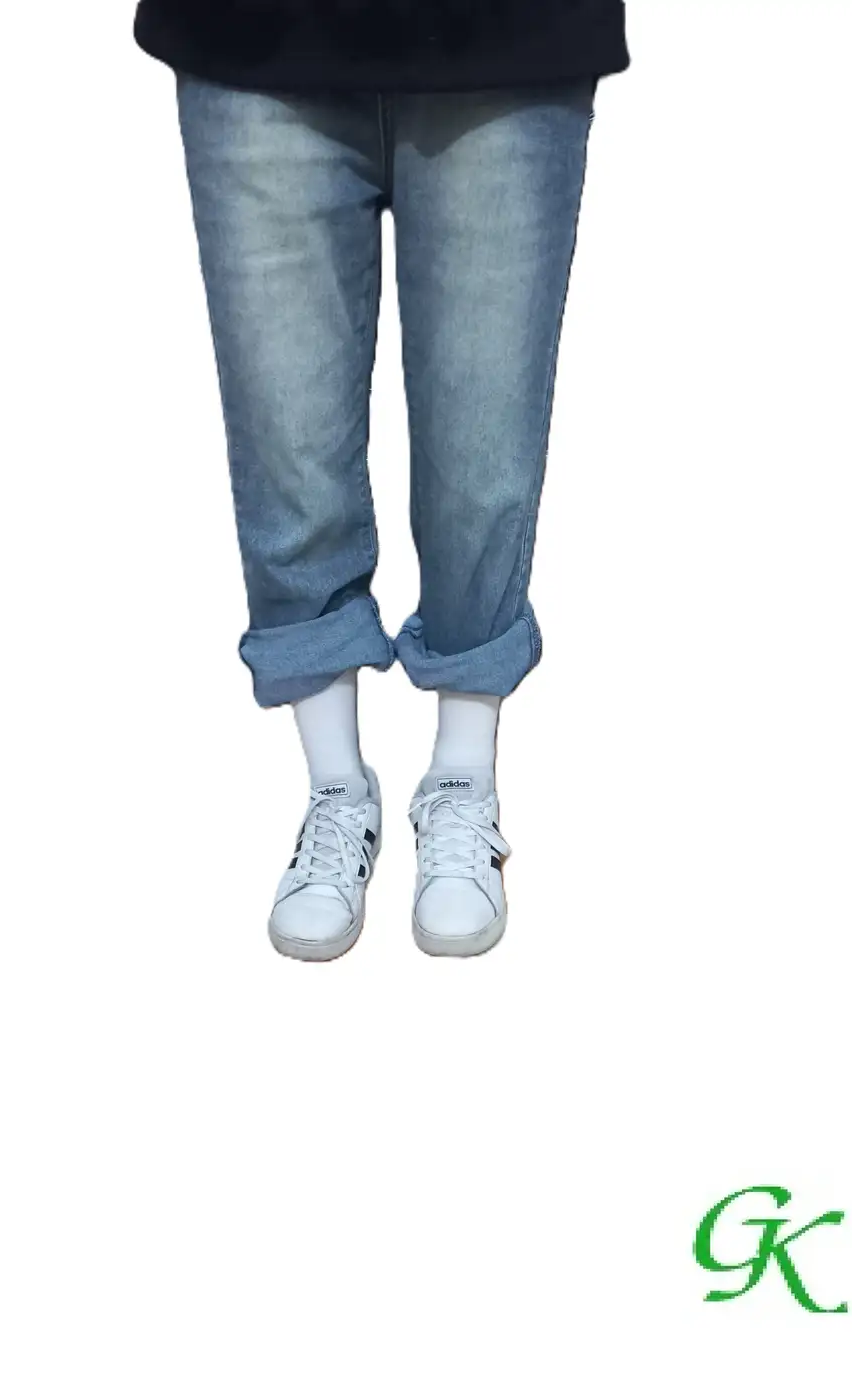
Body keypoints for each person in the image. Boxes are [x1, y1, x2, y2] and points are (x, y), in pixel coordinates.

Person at [133, 0, 629, 960]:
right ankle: (335, 788)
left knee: (484, 454)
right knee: (285, 441)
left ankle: (463, 778)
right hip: (250, 28)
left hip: (511, 31)